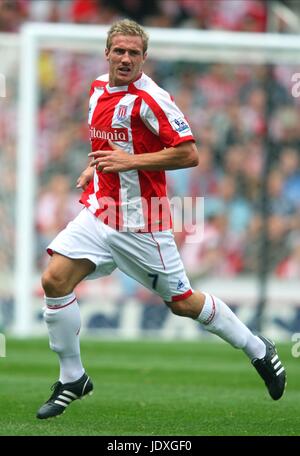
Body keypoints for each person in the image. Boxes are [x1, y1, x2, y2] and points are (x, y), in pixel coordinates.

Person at [36, 19, 286, 420]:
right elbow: (108, 146)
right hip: (100, 212)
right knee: (53, 280)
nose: (126, 58)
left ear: (143, 58)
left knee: (184, 303)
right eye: (119, 50)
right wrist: (95, 171)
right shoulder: (98, 88)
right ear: (107, 52)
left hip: (142, 222)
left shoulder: (152, 99)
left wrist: (129, 162)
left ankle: (259, 349)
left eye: (134, 53)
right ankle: (73, 377)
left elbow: (189, 153)